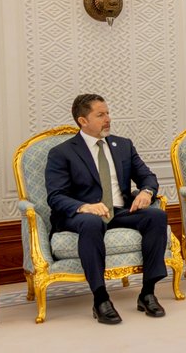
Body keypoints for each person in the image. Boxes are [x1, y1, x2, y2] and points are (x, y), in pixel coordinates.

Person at [45, 94, 168, 324]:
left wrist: (146, 192)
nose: (108, 119)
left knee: (156, 216)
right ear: (83, 121)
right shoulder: (62, 153)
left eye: (108, 113)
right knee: (92, 222)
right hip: (83, 215)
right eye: (100, 115)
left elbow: (147, 177)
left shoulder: (123, 145)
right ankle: (100, 298)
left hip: (119, 211)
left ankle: (147, 293)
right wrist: (84, 207)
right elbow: (56, 196)